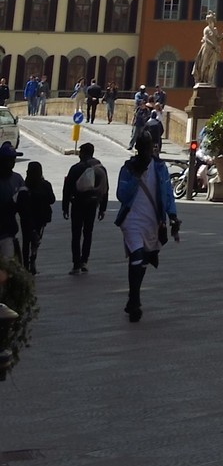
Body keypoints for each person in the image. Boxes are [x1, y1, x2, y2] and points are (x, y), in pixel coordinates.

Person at [114, 131, 178, 323]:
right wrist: (136, 176)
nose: (147, 152)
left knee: (143, 261)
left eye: (149, 148)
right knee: (137, 255)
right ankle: (135, 301)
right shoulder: (128, 169)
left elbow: (167, 192)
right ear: (138, 149)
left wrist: (172, 216)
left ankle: (133, 296)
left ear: (153, 148)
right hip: (131, 219)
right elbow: (121, 195)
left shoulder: (160, 168)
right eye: (143, 148)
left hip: (152, 220)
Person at [63, 141, 108, 273]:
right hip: (92, 204)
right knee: (88, 233)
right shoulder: (100, 168)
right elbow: (105, 188)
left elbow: (67, 189)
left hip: (77, 204)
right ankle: (84, 261)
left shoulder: (75, 168)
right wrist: (103, 208)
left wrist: (65, 206)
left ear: (82, 153)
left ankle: (76, 263)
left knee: (76, 234)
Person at [17, 162, 55, 275]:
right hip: (41, 218)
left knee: (26, 241)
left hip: (27, 219)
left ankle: (25, 265)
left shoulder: (24, 187)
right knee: (36, 240)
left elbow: (19, 204)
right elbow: (52, 199)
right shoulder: (45, 185)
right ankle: (33, 260)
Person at [0, 145, 20, 268]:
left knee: (9, 267)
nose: (11, 163)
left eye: (13, 160)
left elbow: (25, 207)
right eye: (8, 160)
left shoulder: (17, 179)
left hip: (8, 231)